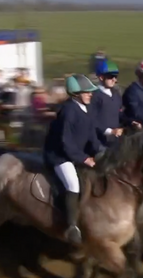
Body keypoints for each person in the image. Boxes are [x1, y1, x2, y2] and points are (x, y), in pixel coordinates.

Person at [43, 74, 101, 245]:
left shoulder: (87, 109)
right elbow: (65, 143)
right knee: (73, 184)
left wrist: (100, 151)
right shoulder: (68, 111)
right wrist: (84, 159)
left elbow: (92, 136)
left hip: (75, 153)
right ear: (76, 93)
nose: (90, 94)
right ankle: (72, 226)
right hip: (59, 155)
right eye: (87, 92)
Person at [90, 59, 124, 148]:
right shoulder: (94, 96)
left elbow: (120, 114)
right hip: (98, 142)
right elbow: (92, 120)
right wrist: (110, 131)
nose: (114, 80)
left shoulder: (116, 94)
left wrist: (131, 122)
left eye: (115, 76)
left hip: (115, 140)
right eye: (110, 76)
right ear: (101, 77)